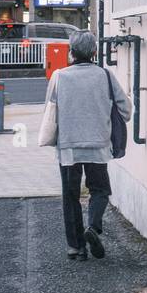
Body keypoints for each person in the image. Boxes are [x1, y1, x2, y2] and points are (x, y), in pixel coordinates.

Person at [38, 31, 133, 262]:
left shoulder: (59, 77)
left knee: (70, 195)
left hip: (68, 147)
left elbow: (50, 110)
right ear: (94, 52)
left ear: (71, 52)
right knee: (99, 190)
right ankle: (93, 227)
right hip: (98, 144)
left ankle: (76, 248)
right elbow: (126, 110)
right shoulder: (105, 75)